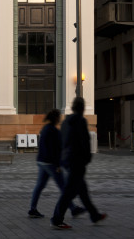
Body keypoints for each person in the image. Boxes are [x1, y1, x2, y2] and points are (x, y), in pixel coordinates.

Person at [50, 97, 106, 230]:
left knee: (82, 191)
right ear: (82, 108)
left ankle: (94, 215)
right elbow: (84, 143)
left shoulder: (65, 122)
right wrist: (87, 158)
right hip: (77, 162)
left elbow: (62, 142)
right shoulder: (80, 121)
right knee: (69, 192)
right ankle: (57, 219)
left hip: (67, 161)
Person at [27, 110, 84, 219]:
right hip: (51, 164)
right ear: (56, 118)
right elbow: (56, 150)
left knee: (40, 186)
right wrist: (58, 165)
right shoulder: (54, 131)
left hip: (42, 161)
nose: (60, 119)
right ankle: (73, 209)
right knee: (63, 187)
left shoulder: (45, 129)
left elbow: (46, 147)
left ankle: (33, 209)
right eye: (59, 117)